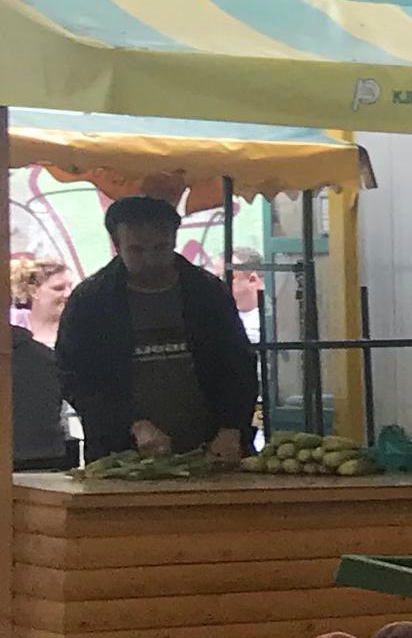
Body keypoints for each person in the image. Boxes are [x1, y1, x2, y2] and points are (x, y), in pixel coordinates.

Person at [56, 197, 253, 460]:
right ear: (117, 246)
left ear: (174, 241)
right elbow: (74, 377)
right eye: (136, 250)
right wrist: (131, 424)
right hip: (122, 454)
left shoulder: (207, 292)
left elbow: (239, 364)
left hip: (211, 451)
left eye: (160, 248)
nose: (150, 260)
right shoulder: (91, 301)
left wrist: (232, 427)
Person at [11, 256, 72, 468]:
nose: (67, 294)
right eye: (58, 288)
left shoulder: (75, 333)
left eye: (69, 286)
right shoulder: (18, 337)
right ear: (34, 291)